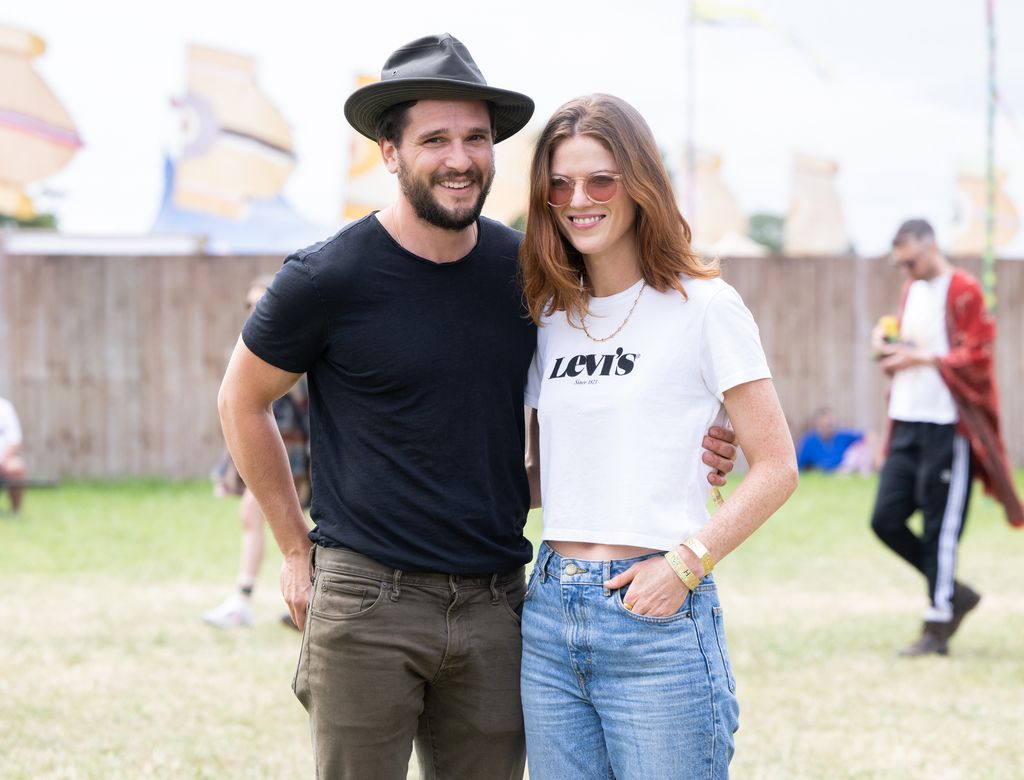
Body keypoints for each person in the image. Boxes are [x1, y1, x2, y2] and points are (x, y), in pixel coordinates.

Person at [218, 34, 738, 780]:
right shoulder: (324, 278)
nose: (460, 158)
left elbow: (610, 380)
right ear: (389, 152)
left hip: (502, 603)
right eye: (435, 139)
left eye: (476, 138)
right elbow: (240, 402)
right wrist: (296, 549)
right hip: (368, 600)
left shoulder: (529, 275)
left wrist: (700, 435)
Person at [518, 94, 798, 779]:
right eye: (560, 183)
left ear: (640, 185)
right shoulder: (547, 316)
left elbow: (776, 467)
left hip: (656, 615)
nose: (578, 198)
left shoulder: (705, 307)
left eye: (600, 180)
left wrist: (685, 565)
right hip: (549, 614)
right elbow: (540, 474)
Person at [870, 218, 1022, 657]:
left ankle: (937, 626)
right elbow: (910, 346)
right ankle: (955, 592)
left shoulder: (965, 290)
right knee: (885, 519)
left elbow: (977, 353)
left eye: (910, 260)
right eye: (900, 264)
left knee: (941, 529)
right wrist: (887, 345)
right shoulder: (911, 290)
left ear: (930, 245)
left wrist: (919, 359)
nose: (906, 270)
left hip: (947, 425)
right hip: (906, 419)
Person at [203, 276, 310, 629]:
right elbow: (237, 413)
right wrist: (226, 470)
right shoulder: (253, 348)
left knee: (263, 516)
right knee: (258, 517)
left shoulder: (295, 345)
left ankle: (249, 601)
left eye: (262, 303)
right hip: (276, 452)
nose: (254, 311)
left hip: (297, 452)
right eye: (249, 305)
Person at [796, 406, 874, 475]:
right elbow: (800, 466)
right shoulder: (809, 441)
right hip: (824, 473)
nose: (827, 428)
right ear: (818, 425)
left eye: (830, 425)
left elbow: (868, 435)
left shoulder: (842, 436)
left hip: (844, 469)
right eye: (824, 425)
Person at [0, 396, 27, 514]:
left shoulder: (4, 407)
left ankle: (16, 511)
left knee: (17, 467)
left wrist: (2, 460)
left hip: (3, 460)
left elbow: (14, 439)